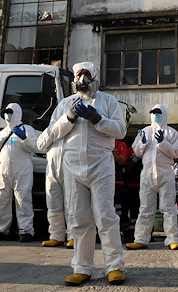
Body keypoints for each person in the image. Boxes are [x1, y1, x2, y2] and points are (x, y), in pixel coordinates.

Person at [37, 62, 127, 286]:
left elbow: (121, 131)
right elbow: (45, 139)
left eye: (87, 74)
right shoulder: (66, 104)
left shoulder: (108, 102)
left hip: (101, 165)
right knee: (78, 219)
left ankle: (114, 266)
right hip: (72, 166)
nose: (82, 78)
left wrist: (98, 120)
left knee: (106, 216)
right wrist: (67, 119)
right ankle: (82, 267)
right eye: (79, 74)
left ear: (95, 76)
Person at [126, 104, 178, 250]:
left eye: (158, 113)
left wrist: (163, 142)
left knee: (169, 208)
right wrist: (143, 143)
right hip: (147, 175)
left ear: (164, 114)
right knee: (145, 208)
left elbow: (175, 154)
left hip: (165, 175)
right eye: (153, 113)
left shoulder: (172, 133)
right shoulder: (144, 131)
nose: (155, 115)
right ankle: (141, 239)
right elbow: (137, 152)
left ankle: (172, 239)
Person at [0, 103, 39, 243]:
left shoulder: (27, 129)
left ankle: (26, 231)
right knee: (1, 199)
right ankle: (0, 230)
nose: (7, 115)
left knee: (23, 200)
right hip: (4, 169)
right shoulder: (2, 132)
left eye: (10, 112)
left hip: (22, 168)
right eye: (5, 113)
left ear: (17, 113)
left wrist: (24, 138)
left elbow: (33, 147)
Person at [38, 111, 74, 249]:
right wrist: (53, 131)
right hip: (52, 173)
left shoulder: (73, 131)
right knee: (53, 204)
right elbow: (40, 144)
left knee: (72, 205)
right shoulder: (51, 132)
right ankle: (56, 235)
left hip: (70, 171)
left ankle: (73, 236)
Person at [121, 149, 142, 243]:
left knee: (137, 211)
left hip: (141, 185)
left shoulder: (148, 149)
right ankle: (125, 232)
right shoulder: (128, 149)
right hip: (128, 186)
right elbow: (127, 166)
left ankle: (134, 232)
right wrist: (135, 159)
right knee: (124, 210)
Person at [113, 139, 129, 239]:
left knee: (118, 208)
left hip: (116, 182)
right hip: (101, 180)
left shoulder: (121, 144)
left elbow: (121, 161)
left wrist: (111, 151)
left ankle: (117, 232)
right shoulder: (100, 141)